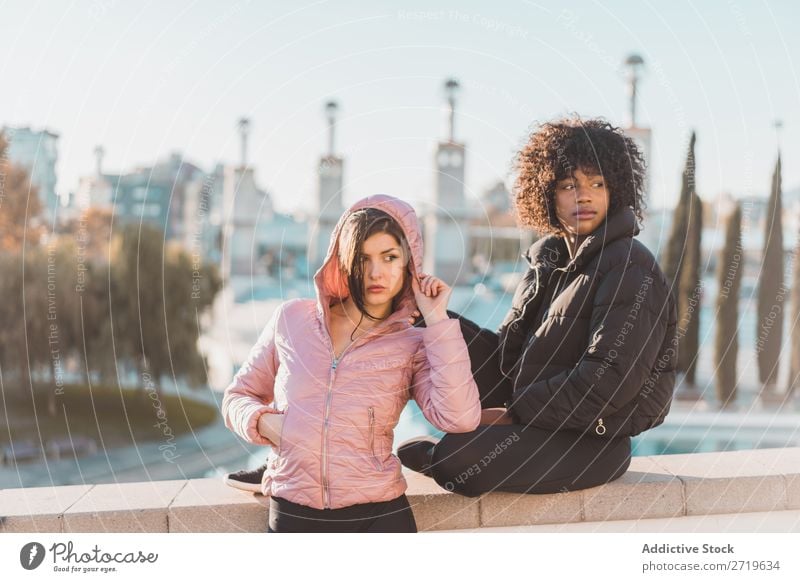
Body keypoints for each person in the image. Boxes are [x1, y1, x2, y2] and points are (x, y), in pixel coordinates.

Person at [398, 116, 678, 496]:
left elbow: (610, 379)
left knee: (459, 461)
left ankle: (444, 455)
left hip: (594, 438)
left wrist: (514, 413)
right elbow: (505, 358)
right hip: (539, 413)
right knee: (417, 322)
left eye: (597, 183)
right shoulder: (548, 260)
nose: (584, 196)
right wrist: (430, 315)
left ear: (617, 189)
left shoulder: (630, 264)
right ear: (546, 193)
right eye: (568, 185)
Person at [221, 194, 481, 532]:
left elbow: (458, 418)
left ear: (409, 263)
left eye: (390, 257)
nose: (376, 272)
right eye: (362, 258)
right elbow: (236, 398)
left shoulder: (412, 343)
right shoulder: (292, 319)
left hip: (379, 515)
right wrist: (272, 426)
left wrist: (437, 320)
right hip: (294, 513)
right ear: (342, 261)